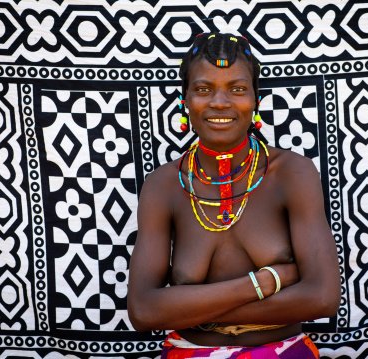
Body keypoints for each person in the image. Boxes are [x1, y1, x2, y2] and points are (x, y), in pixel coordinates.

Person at [127, 32, 341, 358]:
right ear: (184, 99)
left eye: (237, 89)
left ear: (257, 99)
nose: (219, 102)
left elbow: (323, 298)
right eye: (203, 89)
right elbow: (143, 311)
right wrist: (263, 283)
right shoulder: (163, 186)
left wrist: (185, 308)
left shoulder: (292, 174)